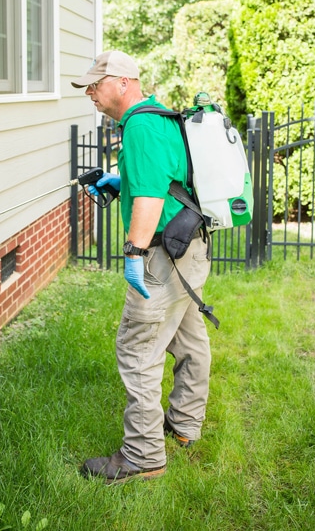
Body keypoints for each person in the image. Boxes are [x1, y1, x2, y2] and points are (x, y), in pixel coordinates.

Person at [71, 50, 212, 484]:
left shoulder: (140, 125)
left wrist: (133, 254)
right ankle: (185, 427)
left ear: (123, 82)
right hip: (190, 248)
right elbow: (163, 181)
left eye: (96, 84)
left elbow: (151, 201)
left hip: (162, 256)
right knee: (189, 339)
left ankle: (143, 456)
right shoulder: (161, 117)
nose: (91, 93)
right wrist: (121, 182)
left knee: (137, 351)